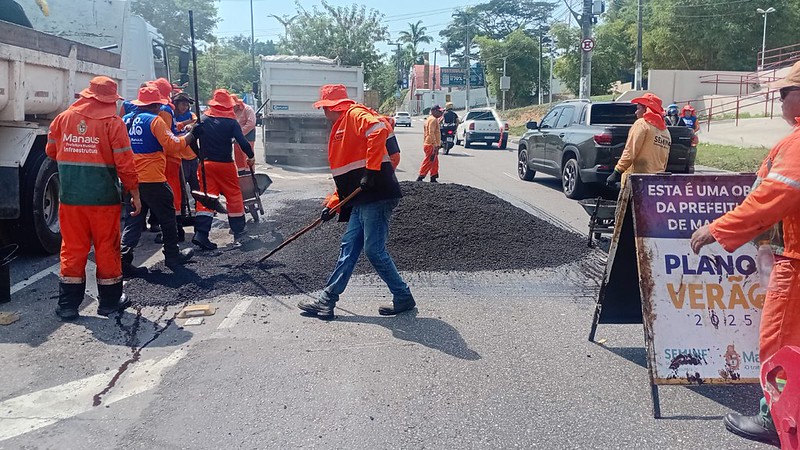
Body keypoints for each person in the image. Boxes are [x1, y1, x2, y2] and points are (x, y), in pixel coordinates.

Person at [690, 61, 800, 447]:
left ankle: (777, 418)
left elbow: (772, 197)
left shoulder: (798, 144)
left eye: (784, 96)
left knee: (781, 344)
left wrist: (717, 229)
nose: (782, 105)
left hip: (797, 265)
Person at [297, 84, 415, 319]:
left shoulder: (355, 115)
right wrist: (332, 204)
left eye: (324, 108)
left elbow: (378, 128)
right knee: (349, 247)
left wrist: (371, 172)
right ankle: (327, 300)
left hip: (377, 195)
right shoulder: (342, 126)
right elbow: (348, 177)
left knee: (373, 250)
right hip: (362, 198)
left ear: (333, 107)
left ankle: (403, 297)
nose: (323, 113)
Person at [45, 76, 140, 320]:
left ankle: (68, 305)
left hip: (70, 198)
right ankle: (109, 302)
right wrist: (135, 193)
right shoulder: (112, 123)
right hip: (103, 199)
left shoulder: (63, 119)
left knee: (73, 249)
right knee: (106, 248)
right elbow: (125, 164)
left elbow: (51, 151)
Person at [120, 85, 196, 273]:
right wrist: (191, 136)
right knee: (168, 217)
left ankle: (123, 260)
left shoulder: (125, 120)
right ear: (155, 105)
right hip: (153, 178)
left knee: (134, 220)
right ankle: (172, 255)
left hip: (131, 179)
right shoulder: (154, 121)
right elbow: (172, 145)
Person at [192, 89, 254, 249]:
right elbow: (242, 141)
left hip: (206, 166)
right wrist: (250, 156)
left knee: (206, 198)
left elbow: (190, 139)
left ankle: (201, 234)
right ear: (228, 107)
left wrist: (199, 155)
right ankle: (239, 230)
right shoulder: (231, 123)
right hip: (225, 165)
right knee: (233, 195)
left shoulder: (203, 119)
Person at [606, 93, 672, 187]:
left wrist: (617, 171)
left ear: (646, 109)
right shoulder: (666, 132)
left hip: (636, 180)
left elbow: (630, 151)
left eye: (638, 108)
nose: (635, 112)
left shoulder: (642, 124)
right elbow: (664, 161)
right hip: (655, 183)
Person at [152, 78, 187, 242]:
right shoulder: (167, 109)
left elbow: (165, 137)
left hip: (169, 157)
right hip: (172, 156)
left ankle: (174, 230)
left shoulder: (164, 110)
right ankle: (175, 228)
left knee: (171, 193)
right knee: (173, 191)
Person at [173, 92, 201, 193]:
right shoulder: (172, 116)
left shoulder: (191, 115)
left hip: (192, 156)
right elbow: (176, 126)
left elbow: (197, 122)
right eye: (182, 104)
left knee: (196, 185)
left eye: (186, 105)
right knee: (181, 186)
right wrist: (185, 123)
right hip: (181, 157)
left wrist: (191, 125)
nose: (185, 107)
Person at [417, 104, 444, 182]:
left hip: (430, 144)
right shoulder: (433, 120)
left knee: (434, 161)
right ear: (434, 111)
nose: (440, 113)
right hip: (431, 144)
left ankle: (433, 176)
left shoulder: (431, 119)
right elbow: (431, 132)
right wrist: (435, 144)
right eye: (439, 111)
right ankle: (421, 176)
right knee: (429, 161)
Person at [232, 95, 257, 172]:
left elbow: (251, 123)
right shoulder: (231, 112)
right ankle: (241, 172)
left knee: (246, 155)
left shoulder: (247, 109)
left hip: (248, 135)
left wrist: (240, 134)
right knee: (238, 157)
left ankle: (249, 172)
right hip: (236, 137)